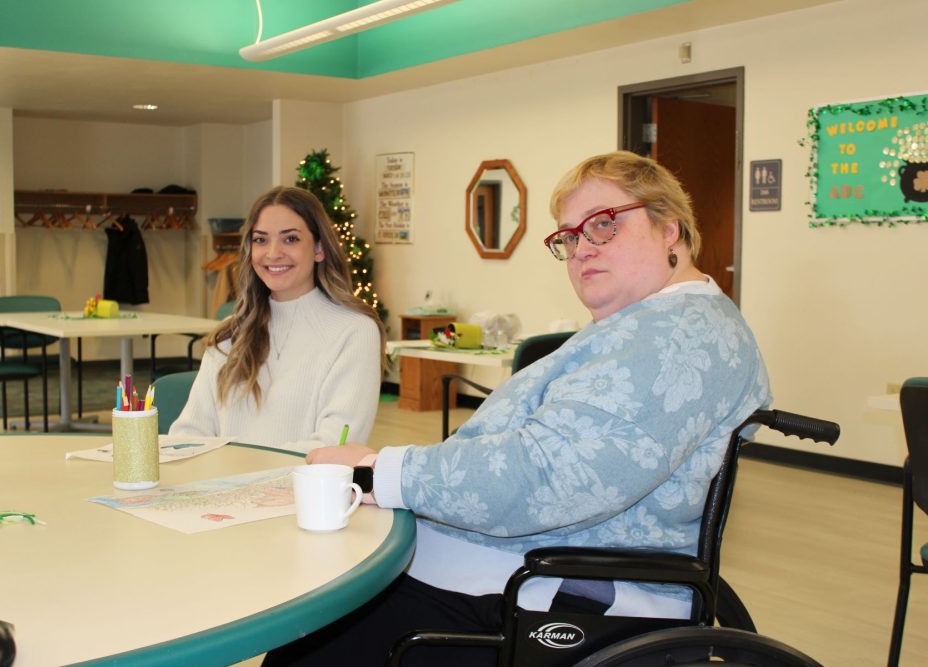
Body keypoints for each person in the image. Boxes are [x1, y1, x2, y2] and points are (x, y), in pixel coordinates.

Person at [264, 151, 771, 666]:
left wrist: (379, 473)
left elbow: (552, 476)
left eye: (603, 225)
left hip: (552, 592)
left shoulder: (676, 337)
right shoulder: (651, 325)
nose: (581, 250)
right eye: (570, 237)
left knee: (306, 647)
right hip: (513, 565)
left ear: (670, 229)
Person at [169, 186, 384, 453]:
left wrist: (241, 471)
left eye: (290, 239)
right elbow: (189, 434)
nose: (272, 253)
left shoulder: (355, 331)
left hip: (301, 492)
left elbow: (333, 446)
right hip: (222, 489)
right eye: (261, 240)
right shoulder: (231, 334)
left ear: (319, 248)